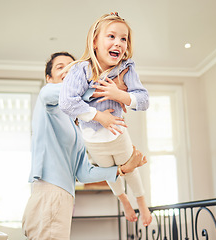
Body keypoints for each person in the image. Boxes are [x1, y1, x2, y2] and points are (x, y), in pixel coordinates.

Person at [22, 52, 147, 240]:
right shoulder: (47, 100)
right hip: (50, 193)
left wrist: (122, 169)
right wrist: (106, 92)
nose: (67, 70)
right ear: (49, 78)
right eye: (60, 67)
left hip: (63, 196)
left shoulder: (76, 125)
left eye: (72, 67)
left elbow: (83, 173)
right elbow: (66, 95)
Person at [59, 13, 152, 226]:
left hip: (117, 134)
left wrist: (120, 95)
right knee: (112, 174)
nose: (118, 43)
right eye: (111, 36)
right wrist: (99, 116)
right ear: (94, 41)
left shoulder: (126, 68)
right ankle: (125, 202)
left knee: (130, 167)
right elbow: (66, 103)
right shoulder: (80, 69)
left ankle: (142, 202)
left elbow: (144, 100)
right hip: (92, 139)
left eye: (124, 39)